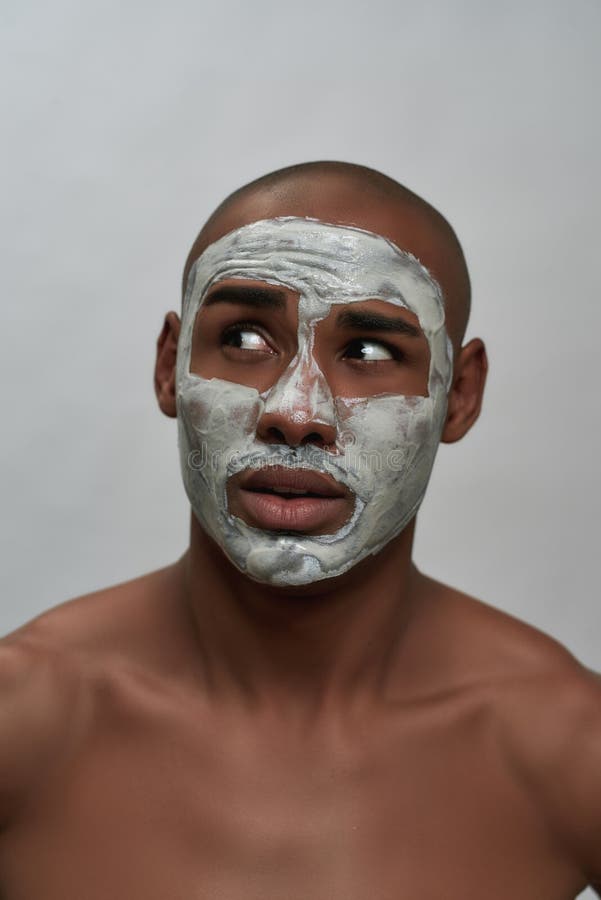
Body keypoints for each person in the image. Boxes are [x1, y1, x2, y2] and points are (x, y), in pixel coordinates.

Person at [0, 161, 599, 899]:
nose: (296, 411)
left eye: (370, 351)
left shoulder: (569, 744)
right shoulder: (21, 720)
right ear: (170, 366)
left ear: (459, 395)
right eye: (246, 338)